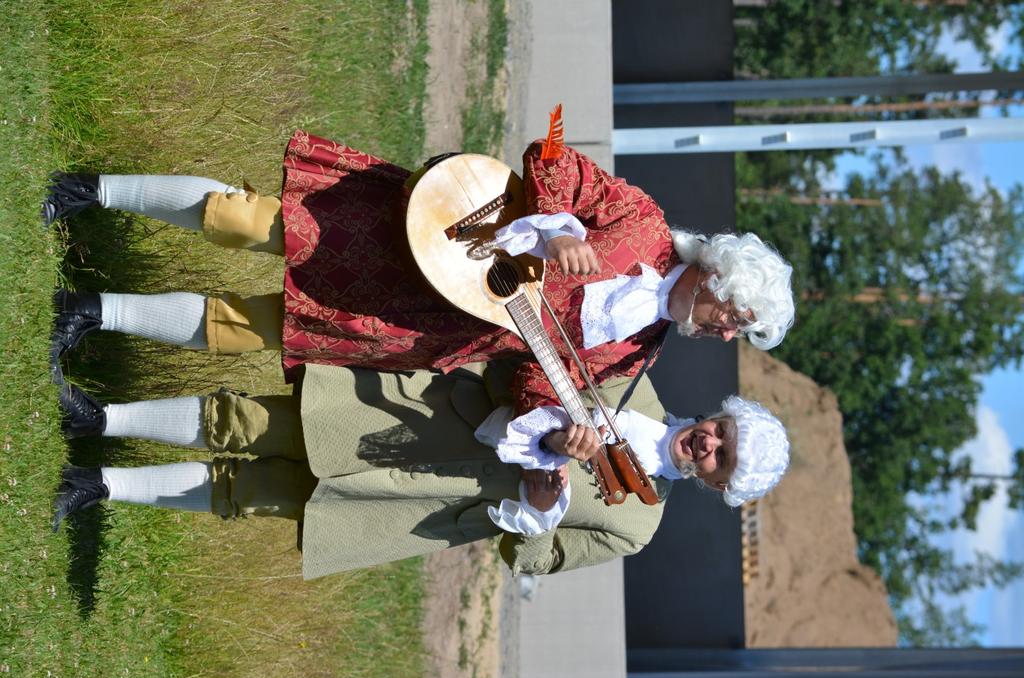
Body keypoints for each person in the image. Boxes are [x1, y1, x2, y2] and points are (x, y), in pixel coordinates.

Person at [44, 130, 796, 427]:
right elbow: (553, 158)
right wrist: (563, 225)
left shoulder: (637, 360)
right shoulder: (645, 224)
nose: (726, 332)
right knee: (255, 221)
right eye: (738, 316)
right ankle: (93, 190)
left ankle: (91, 309)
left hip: (421, 325)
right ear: (721, 276)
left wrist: (566, 425)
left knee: (248, 327)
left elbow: (527, 381)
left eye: (738, 331)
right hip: (432, 242)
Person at [51, 362, 790, 577]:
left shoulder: (640, 524)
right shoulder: (636, 376)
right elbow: (515, 364)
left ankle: (98, 486)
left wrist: (540, 506)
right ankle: (100, 419)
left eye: (722, 459)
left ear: (721, 488)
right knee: (247, 419)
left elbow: (529, 557)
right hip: (422, 420)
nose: (710, 445)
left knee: (249, 494)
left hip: (417, 506)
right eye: (720, 431)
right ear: (715, 414)